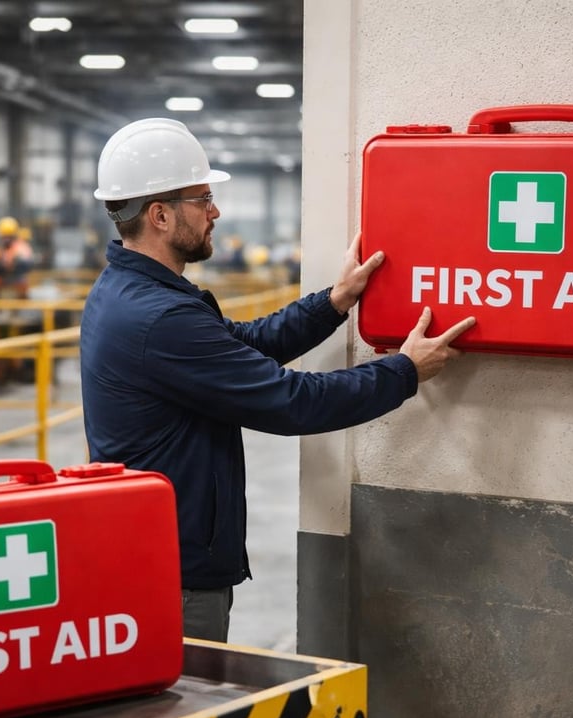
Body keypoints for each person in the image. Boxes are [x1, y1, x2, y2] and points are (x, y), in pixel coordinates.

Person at [81, 117, 475, 642]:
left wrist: (333, 302)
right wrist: (403, 371)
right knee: (181, 712)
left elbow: (243, 344)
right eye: (203, 199)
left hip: (157, 553)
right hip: (173, 576)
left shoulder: (131, 292)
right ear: (159, 215)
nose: (215, 211)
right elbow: (292, 403)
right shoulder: (159, 318)